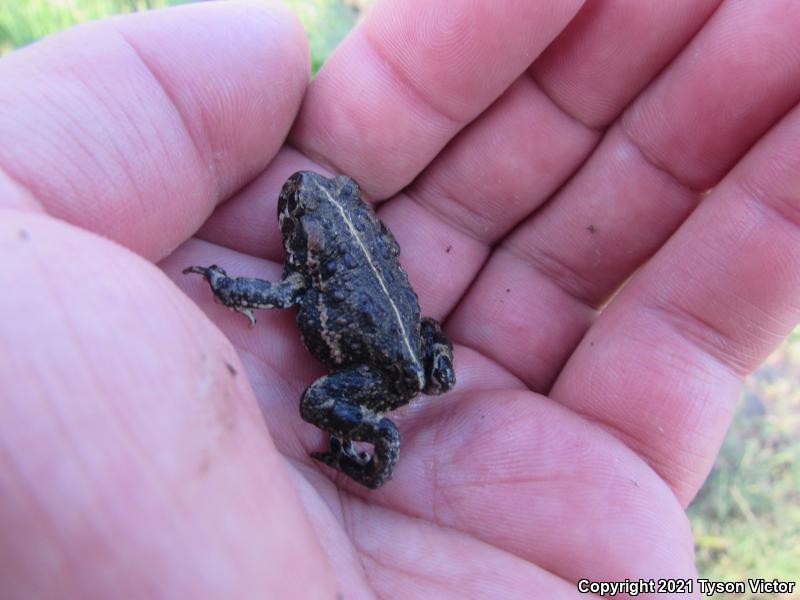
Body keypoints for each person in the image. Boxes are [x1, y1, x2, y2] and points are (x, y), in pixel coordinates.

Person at [2, 0, 798, 597]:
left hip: (380, 365)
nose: (297, 206)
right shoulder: (339, 258)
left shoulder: (306, 274)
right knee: (397, 363)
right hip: (415, 348)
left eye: (305, 212)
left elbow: (271, 290)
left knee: (318, 399)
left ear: (316, 238)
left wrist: (224, 287)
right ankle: (383, 428)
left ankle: (375, 452)